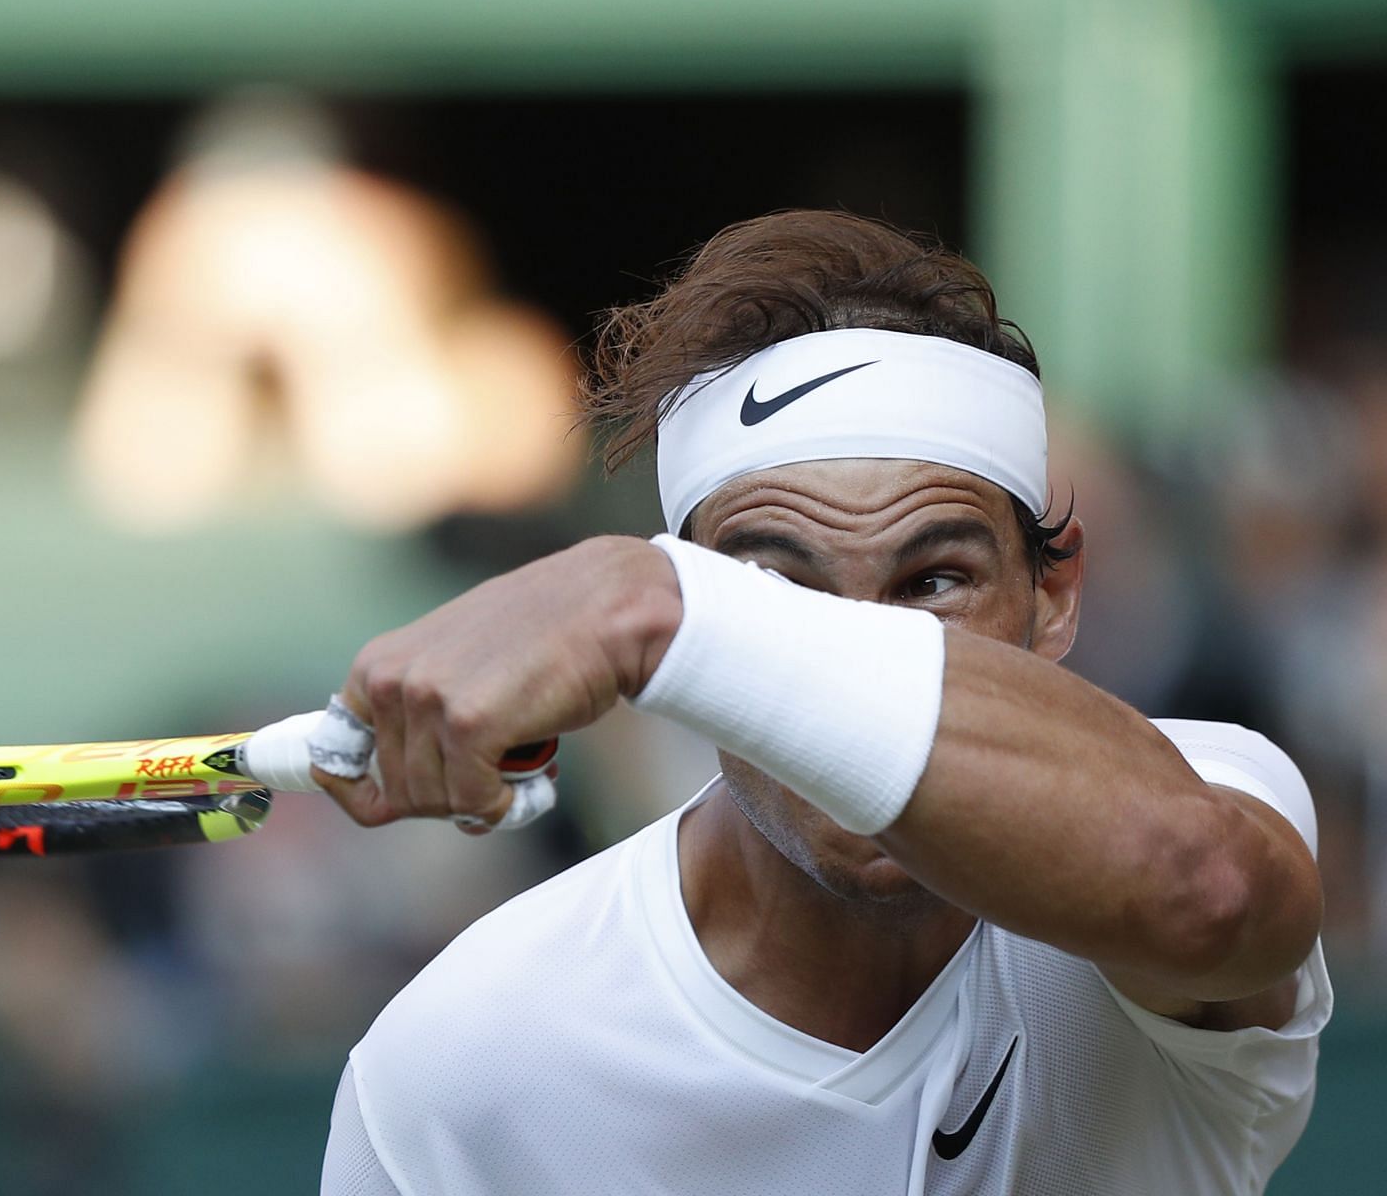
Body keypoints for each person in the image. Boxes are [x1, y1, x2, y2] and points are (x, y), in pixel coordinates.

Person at [307, 211, 1329, 1194]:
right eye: (776, 588)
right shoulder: (456, 1065)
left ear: (1053, 597)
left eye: (933, 580)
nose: (855, 647)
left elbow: (1208, 893)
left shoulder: (1213, 792)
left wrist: (664, 610)